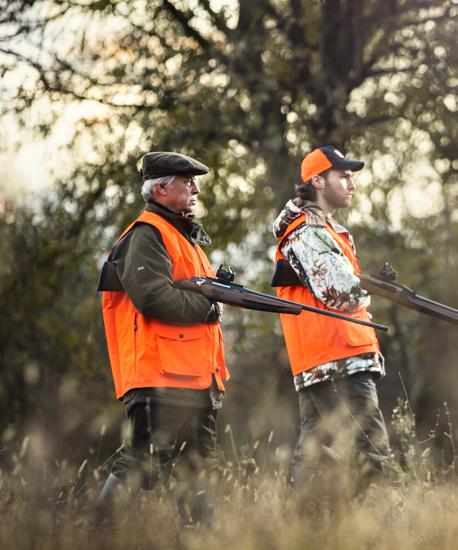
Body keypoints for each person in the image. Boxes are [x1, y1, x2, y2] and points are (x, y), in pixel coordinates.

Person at [96, 151, 228, 527]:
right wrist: (207, 307)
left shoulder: (184, 237)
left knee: (199, 470)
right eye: (188, 183)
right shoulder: (146, 233)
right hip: (160, 376)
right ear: (162, 188)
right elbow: (152, 296)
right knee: (143, 459)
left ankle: (199, 539)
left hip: (195, 378)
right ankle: (97, 533)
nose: (196, 190)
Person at [271, 145, 392, 503]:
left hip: (327, 358)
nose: (352, 184)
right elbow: (340, 293)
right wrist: (373, 288)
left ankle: (307, 535)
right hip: (338, 359)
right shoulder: (307, 231)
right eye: (344, 176)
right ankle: (364, 532)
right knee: (371, 455)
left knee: (316, 459)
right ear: (319, 181)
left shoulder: (325, 229)